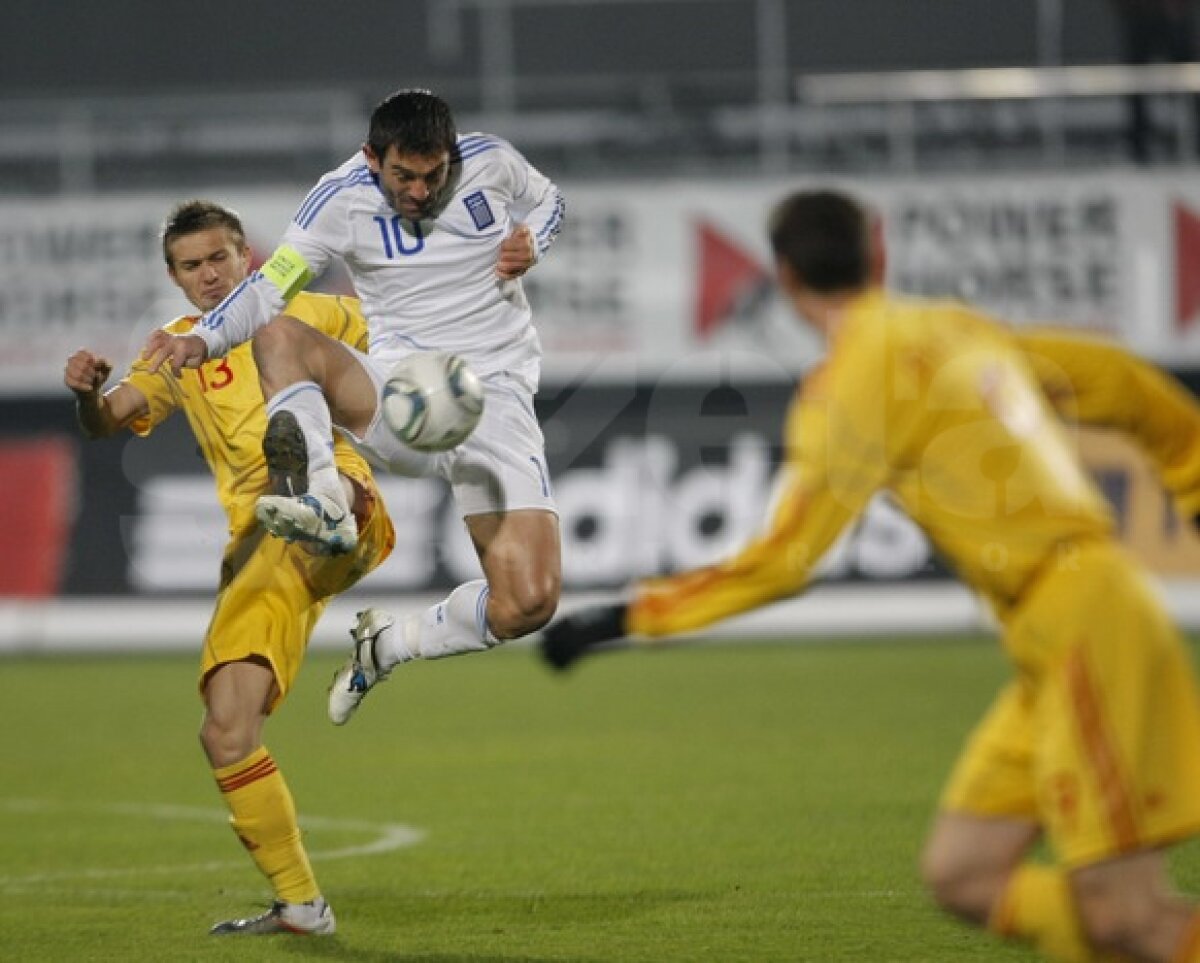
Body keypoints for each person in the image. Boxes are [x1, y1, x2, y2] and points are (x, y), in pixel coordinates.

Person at [539, 189, 1200, 962]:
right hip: (1060, 629)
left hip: (1086, 624)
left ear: (785, 278)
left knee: (1125, 915)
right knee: (965, 872)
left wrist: (623, 618)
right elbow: (1124, 382)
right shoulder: (954, 325)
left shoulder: (846, 386)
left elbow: (784, 560)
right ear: (879, 252)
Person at [140, 88, 565, 727]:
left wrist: (535, 239)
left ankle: (387, 645)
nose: (418, 192)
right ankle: (323, 498)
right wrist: (198, 338)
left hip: (496, 396)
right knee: (279, 334)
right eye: (402, 177)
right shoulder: (339, 199)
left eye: (432, 175)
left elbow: (551, 200)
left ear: (451, 155)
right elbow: (268, 288)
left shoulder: (493, 162)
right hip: (398, 391)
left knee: (527, 604)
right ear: (373, 158)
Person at [63, 200, 395, 935]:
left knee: (314, 492)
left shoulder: (311, 310)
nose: (209, 275)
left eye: (220, 258)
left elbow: (403, 352)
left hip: (344, 492)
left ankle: (325, 503)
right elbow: (106, 420)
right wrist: (88, 393)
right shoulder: (177, 350)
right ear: (175, 278)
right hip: (257, 546)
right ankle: (302, 904)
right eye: (191, 265)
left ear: (249, 257)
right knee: (226, 731)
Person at [1109, 0, 1200, 162]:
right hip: (1138, 15)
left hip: (1175, 14)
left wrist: (1178, 7)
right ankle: (1138, 146)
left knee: (1192, 77)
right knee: (1136, 82)